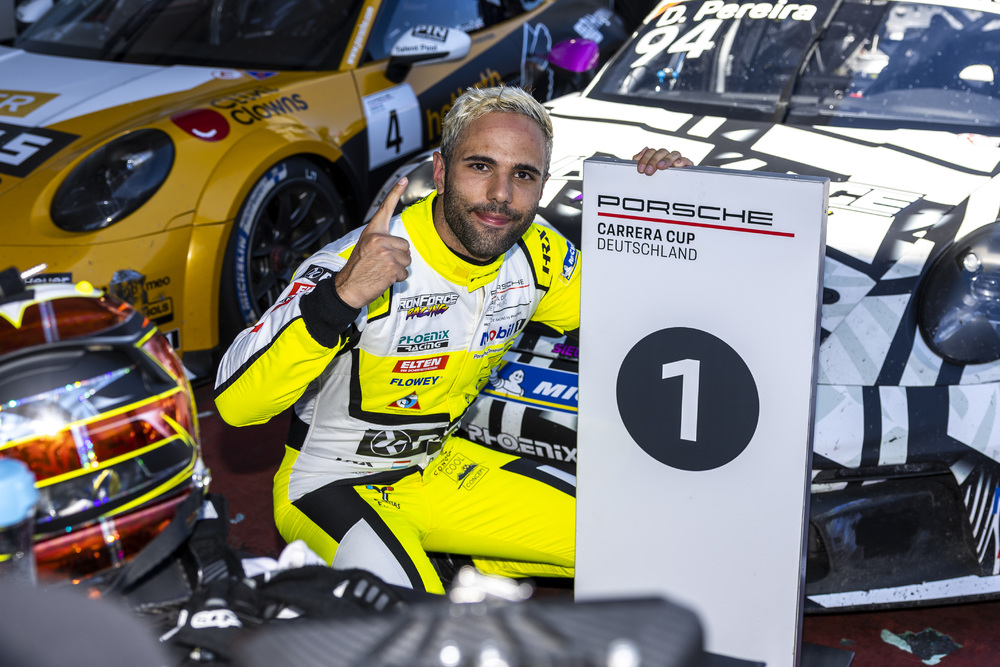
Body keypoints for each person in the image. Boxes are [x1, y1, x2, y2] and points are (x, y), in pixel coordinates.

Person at [214, 85, 692, 594]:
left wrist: (672, 206)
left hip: (439, 470)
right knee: (422, 628)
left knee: (648, 539)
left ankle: (453, 559)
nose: (501, 194)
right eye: (480, 166)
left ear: (542, 185)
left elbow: (636, 320)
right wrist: (341, 296)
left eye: (523, 175)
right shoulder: (358, 263)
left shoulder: (538, 252)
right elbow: (236, 406)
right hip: (329, 481)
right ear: (441, 171)